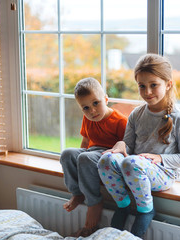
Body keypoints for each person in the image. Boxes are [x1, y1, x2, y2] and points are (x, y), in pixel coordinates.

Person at [97, 54, 180, 238]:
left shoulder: (179, 118)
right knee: (106, 160)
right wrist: (120, 145)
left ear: (168, 84)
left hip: (163, 173)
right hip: (134, 167)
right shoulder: (137, 114)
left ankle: (145, 210)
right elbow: (129, 147)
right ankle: (123, 205)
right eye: (142, 86)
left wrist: (160, 158)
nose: (147, 92)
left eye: (153, 85)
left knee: (131, 163)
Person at [60, 77, 127, 237]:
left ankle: (94, 201)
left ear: (105, 99)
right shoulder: (88, 119)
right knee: (67, 154)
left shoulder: (119, 121)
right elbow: (85, 141)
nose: (92, 111)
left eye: (96, 103)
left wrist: (85, 158)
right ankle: (77, 193)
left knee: (85, 158)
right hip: (92, 152)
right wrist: (78, 160)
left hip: (109, 156)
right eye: (86, 108)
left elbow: (126, 148)